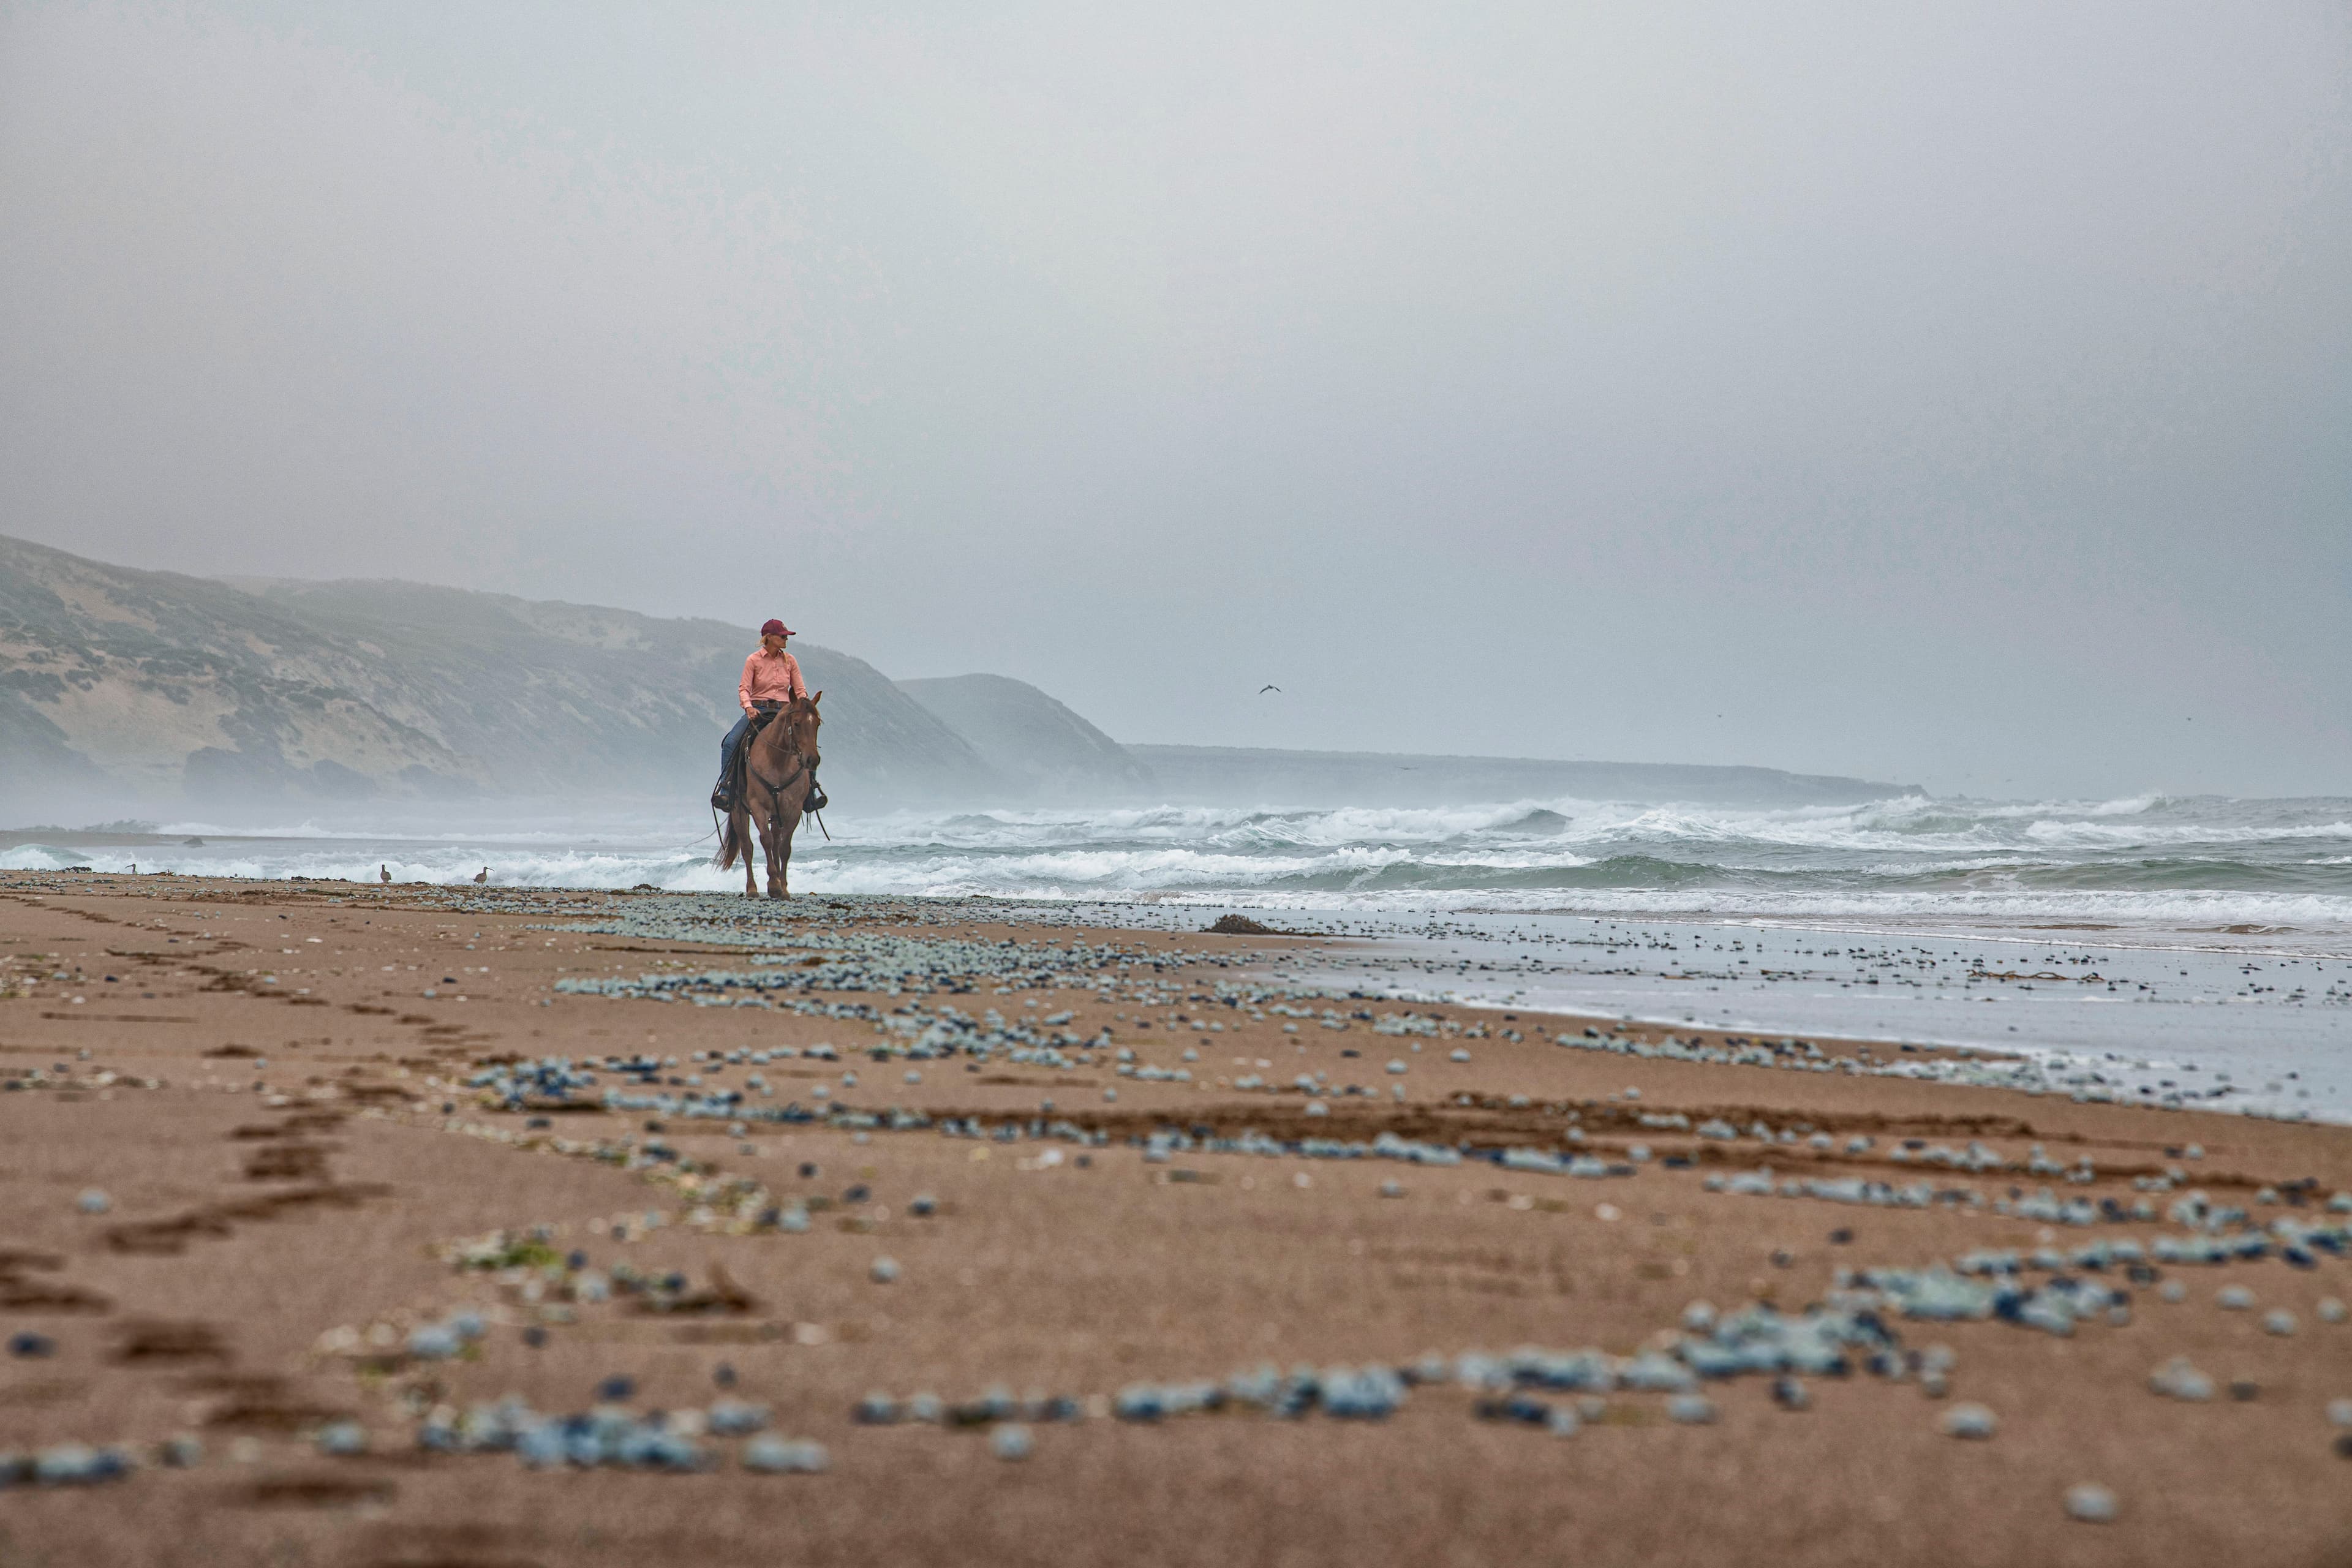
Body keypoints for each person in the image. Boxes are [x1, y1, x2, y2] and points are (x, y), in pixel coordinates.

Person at [714, 618, 807, 810]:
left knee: (807, 743)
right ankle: (726, 788)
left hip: (785, 711)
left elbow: (800, 690)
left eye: (786, 637)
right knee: (730, 743)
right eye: (782, 636)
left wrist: (804, 706)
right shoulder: (753, 660)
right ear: (769, 637)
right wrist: (749, 707)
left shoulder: (791, 661)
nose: (785, 640)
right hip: (759, 710)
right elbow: (744, 689)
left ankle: (811, 792)